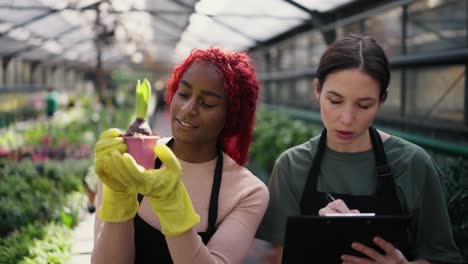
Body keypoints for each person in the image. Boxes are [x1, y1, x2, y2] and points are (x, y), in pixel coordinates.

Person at [256, 34, 464, 264]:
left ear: (382, 100)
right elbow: (283, 259)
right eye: (335, 100)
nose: (347, 119)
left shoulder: (412, 163)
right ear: (317, 90)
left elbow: (443, 257)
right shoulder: (292, 166)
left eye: (364, 105)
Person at [92, 47, 269, 263]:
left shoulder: (248, 192)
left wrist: (171, 203)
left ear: (232, 116)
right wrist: (119, 196)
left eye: (207, 103)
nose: (187, 109)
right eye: (183, 94)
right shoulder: (131, 160)